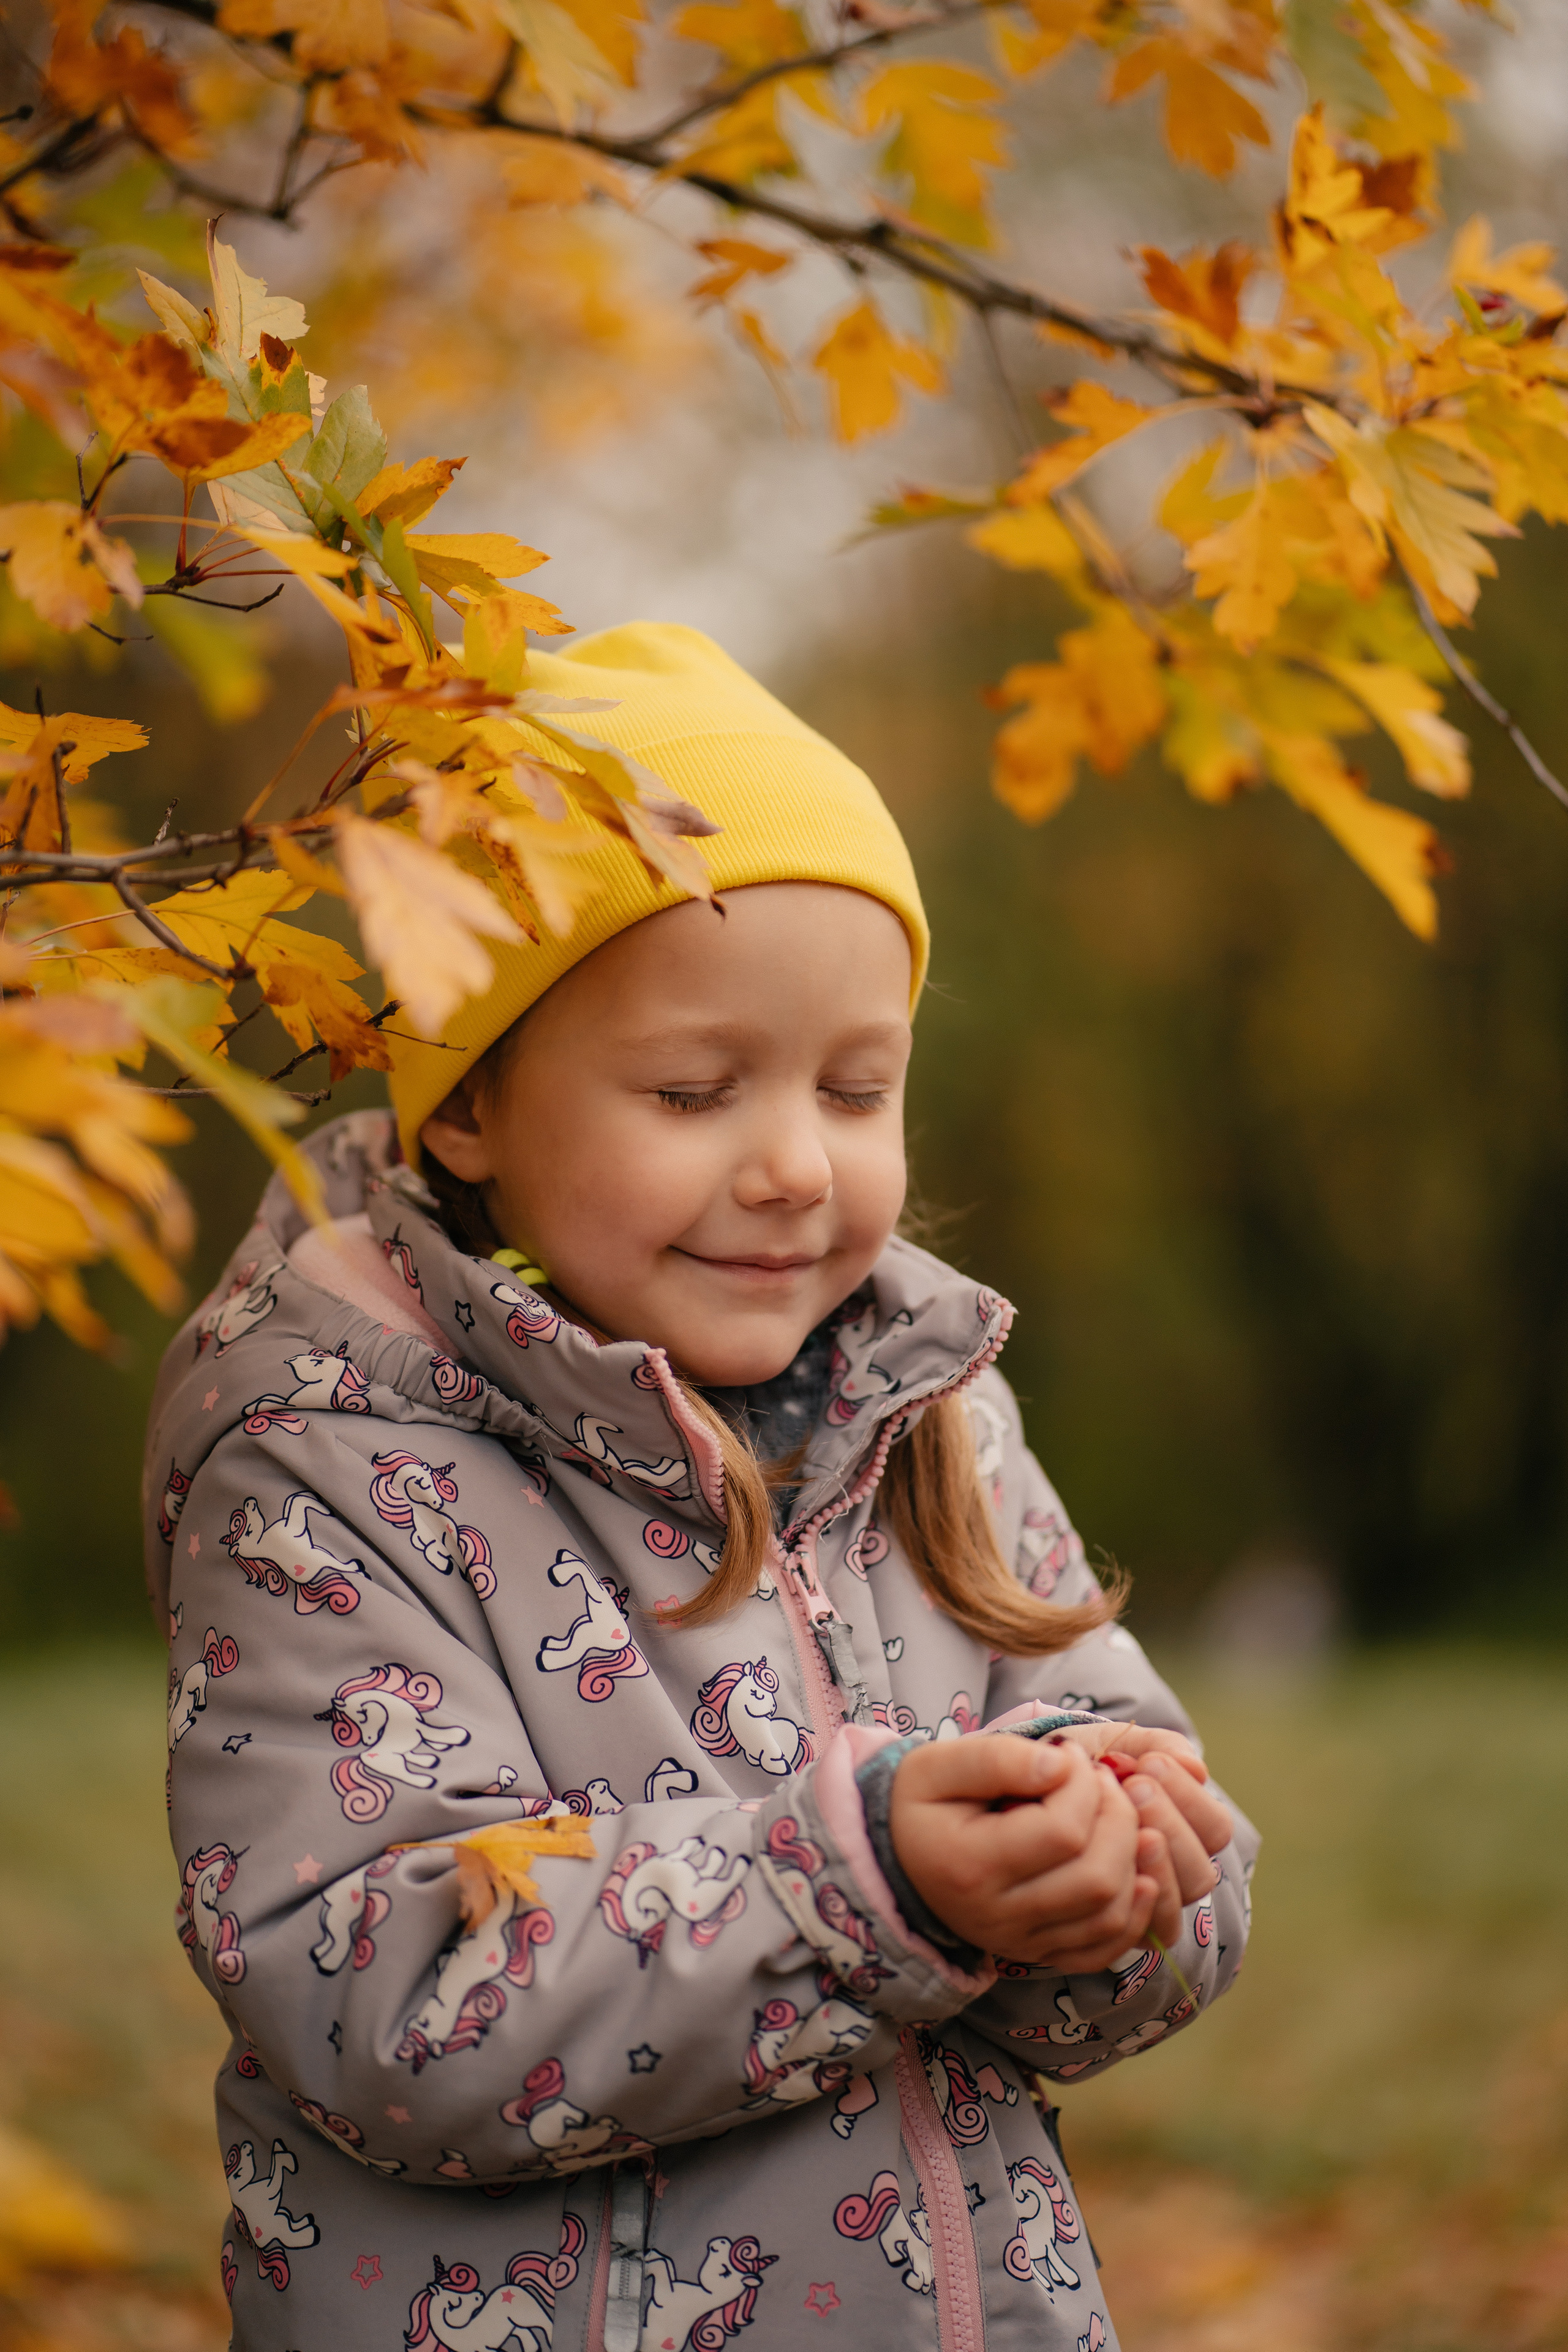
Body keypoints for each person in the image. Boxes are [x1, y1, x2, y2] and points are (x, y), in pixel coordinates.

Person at [146, 622, 1256, 2352]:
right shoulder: (334, 1462)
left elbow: (1133, 1857)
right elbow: (370, 1993)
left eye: (857, 1088)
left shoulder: (930, 1419)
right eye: (693, 1089)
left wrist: (1117, 1876)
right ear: (469, 1105)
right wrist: (865, 1889)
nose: (797, 1164)